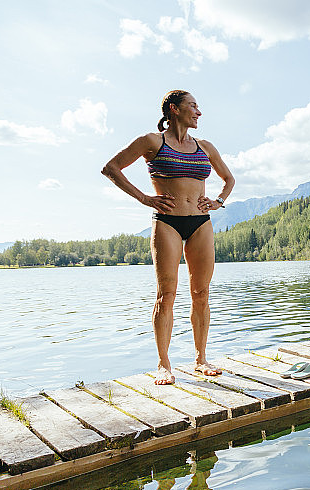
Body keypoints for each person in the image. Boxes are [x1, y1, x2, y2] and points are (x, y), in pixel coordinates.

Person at [102, 90, 235, 385]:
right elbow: (110, 168)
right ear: (174, 109)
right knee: (167, 295)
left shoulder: (205, 146)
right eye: (193, 106)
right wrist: (144, 199)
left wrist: (218, 201)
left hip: (201, 223)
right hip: (167, 222)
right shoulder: (152, 142)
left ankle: (201, 359)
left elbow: (229, 179)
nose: (198, 112)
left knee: (201, 293)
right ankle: (164, 364)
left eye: (198, 106)